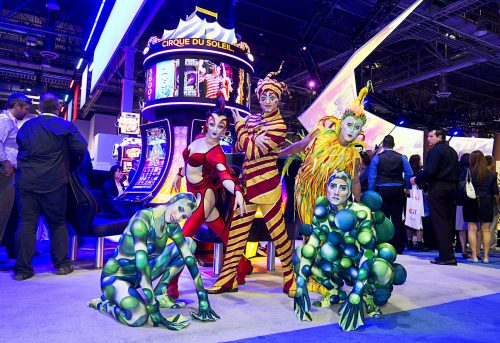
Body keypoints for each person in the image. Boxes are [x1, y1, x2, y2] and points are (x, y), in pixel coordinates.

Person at [207, 62, 295, 295]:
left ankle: (290, 277)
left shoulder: (279, 125)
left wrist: (240, 127)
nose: (267, 101)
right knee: (236, 233)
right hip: (247, 185)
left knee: (279, 234)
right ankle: (228, 279)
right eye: (264, 96)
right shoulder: (254, 120)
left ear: (278, 100)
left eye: (272, 97)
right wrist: (246, 134)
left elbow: (253, 151)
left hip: (267, 187)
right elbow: (240, 146)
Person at [293, 171, 406, 331]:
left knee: (382, 269)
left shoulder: (361, 212)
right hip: (337, 264)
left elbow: (368, 254)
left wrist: (357, 293)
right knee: (300, 254)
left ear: (349, 191)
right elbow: (310, 248)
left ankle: (369, 298)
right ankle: (334, 290)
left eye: (343, 188)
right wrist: (300, 285)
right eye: (333, 186)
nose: (336, 192)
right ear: (326, 189)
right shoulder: (322, 213)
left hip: (360, 267)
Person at [88, 193, 220, 329]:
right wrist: (152, 307)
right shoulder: (142, 220)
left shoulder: (171, 226)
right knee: (138, 317)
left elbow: (189, 259)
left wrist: (203, 298)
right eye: (180, 209)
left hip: (142, 274)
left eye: (184, 217)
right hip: (117, 277)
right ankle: (104, 304)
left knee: (189, 243)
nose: (179, 218)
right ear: (173, 201)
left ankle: (160, 293)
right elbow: (141, 265)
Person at [168, 94, 247, 297]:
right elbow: (188, 163)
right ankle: (242, 265)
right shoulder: (197, 140)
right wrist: (178, 174)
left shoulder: (216, 153)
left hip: (206, 195)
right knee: (225, 233)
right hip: (194, 192)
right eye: (212, 123)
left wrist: (237, 191)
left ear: (225, 130)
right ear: (207, 123)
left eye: (220, 126)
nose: (215, 129)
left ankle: (172, 282)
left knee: (183, 237)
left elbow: (224, 176)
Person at [14, 92, 88, 280]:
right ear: (58, 107)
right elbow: (80, 148)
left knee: (27, 224)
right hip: (54, 183)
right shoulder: (65, 126)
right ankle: (62, 265)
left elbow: (20, 145)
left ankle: (22, 269)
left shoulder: (27, 126)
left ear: (39, 108)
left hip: (26, 182)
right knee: (57, 223)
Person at [280, 82, 372, 225]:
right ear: (341, 123)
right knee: (307, 230)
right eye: (349, 125)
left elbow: (354, 181)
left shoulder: (353, 156)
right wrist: (278, 154)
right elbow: (299, 146)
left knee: (324, 233)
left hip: (329, 198)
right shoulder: (321, 133)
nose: (351, 131)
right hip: (305, 191)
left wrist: (362, 206)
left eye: (356, 127)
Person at [411, 127, 459, 266]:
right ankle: (448, 254)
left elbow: (430, 171)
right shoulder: (452, 151)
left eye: (431, 136)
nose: (428, 138)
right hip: (452, 189)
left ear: (440, 137)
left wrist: (417, 179)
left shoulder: (435, 151)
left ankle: (446, 257)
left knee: (440, 222)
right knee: (448, 222)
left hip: (438, 188)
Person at [368, 135, 412, 254]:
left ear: (383, 145)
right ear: (394, 144)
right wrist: (407, 187)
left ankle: (384, 245)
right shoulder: (402, 157)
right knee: (397, 218)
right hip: (398, 190)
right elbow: (409, 173)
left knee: (383, 218)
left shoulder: (377, 158)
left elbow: (372, 177)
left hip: (382, 190)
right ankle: (398, 246)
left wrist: (371, 192)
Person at [0, 93, 31, 263]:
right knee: (2, 211)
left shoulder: (11, 122)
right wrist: (6, 163)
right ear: (17, 106)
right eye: (26, 108)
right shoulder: (4, 121)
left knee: (9, 212)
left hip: (9, 173)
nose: (27, 111)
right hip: (4, 173)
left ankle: (11, 249)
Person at [462, 151, 499, 263]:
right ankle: (486, 257)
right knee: (486, 230)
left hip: (470, 202)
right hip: (486, 202)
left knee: (472, 229)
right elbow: (495, 192)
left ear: (471, 160)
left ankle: (474, 256)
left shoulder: (467, 172)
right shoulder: (492, 174)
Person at [407, 154, 425, 251]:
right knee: (419, 220)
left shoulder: (407, 172)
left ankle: (409, 242)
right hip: (419, 197)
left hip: (408, 197)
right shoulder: (420, 172)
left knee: (409, 219)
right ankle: (419, 242)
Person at [455, 153, 470, 259]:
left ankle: (462, 247)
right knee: (473, 228)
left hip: (459, 201)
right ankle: (474, 251)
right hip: (472, 201)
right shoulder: (474, 172)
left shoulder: (458, 172)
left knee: (461, 228)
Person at [485, 155, 499, 251]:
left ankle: (482, 245)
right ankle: (490, 245)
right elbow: (495, 192)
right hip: (492, 203)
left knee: (481, 227)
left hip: (481, 202)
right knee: (491, 227)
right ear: (492, 163)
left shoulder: (478, 173)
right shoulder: (493, 175)